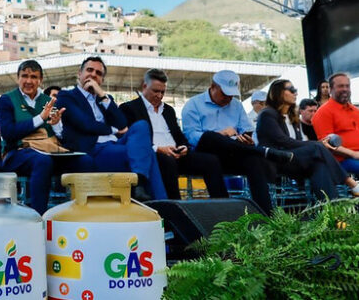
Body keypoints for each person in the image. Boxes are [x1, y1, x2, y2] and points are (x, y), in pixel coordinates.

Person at [181, 70, 293, 215]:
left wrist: (247, 138)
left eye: (231, 95)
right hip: (205, 150)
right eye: (224, 94)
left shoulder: (236, 105)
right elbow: (191, 136)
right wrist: (221, 134)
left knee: (254, 160)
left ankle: (266, 214)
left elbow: (247, 129)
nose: (228, 98)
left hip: (233, 152)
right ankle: (264, 152)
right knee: (210, 137)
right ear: (213, 87)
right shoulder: (193, 105)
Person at [57, 57, 166, 200]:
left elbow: (122, 123)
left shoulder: (105, 99)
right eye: (89, 70)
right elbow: (85, 124)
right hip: (93, 148)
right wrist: (113, 130)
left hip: (115, 144)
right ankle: (159, 201)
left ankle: (140, 182)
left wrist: (101, 94)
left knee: (141, 125)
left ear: (102, 80)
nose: (93, 75)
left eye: (98, 73)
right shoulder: (66, 96)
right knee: (147, 153)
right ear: (79, 73)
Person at [0, 60, 94, 214]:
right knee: (42, 161)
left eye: (34, 77)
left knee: (85, 161)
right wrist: (40, 118)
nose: (29, 81)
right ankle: (39, 216)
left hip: (49, 151)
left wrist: (56, 125)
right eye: (24, 76)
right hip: (17, 153)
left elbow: (62, 138)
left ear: (40, 80)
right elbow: (8, 133)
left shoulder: (49, 101)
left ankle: (82, 212)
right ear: (18, 78)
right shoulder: (6, 100)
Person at [120, 68, 228, 200]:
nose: (159, 96)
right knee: (168, 161)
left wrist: (184, 147)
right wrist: (158, 149)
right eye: (155, 91)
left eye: (162, 92)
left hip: (176, 153)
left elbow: (179, 135)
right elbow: (131, 139)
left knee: (211, 161)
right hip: (153, 155)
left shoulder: (168, 110)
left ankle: (222, 203)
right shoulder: (129, 108)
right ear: (144, 86)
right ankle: (175, 205)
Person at [257, 79, 359, 200]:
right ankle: (352, 184)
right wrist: (317, 144)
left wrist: (316, 144)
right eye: (291, 90)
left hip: (296, 159)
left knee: (319, 165)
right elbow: (282, 141)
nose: (295, 93)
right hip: (277, 159)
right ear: (278, 92)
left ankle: (332, 207)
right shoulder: (267, 114)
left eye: (295, 90)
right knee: (317, 148)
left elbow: (299, 141)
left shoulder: (292, 116)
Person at [312, 73, 359, 176]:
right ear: (331, 89)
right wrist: (354, 154)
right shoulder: (323, 112)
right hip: (341, 160)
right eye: (340, 86)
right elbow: (327, 145)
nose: (345, 89)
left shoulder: (355, 111)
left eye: (347, 86)